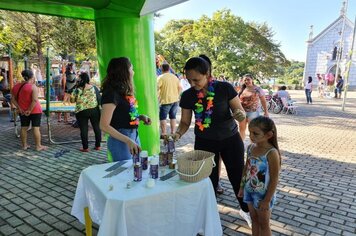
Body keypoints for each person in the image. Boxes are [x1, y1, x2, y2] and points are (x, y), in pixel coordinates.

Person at [172, 57, 251, 227]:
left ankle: (246, 210)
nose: (193, 84)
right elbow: (185, 122)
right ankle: (207, 215)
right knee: (208, 181)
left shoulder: (224, 88)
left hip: (230, 139)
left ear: (207, 74)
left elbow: (239, 111)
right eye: (189, 79)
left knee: (237, 177)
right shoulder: (187, 95)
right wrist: (177, 134)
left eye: (196, 79)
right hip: (204, 143)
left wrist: (240, 115)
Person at [100, 57, 151, 161]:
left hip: (133, 136)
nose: (133, 72)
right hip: (121, 141)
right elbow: (104, 126)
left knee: (136, 170)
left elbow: (122, 114)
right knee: (125, 174)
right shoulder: (111, 93)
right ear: (124, 72)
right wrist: (128, 141)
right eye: (131, 69)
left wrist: (140, 117)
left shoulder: (123, 91)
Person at [238, 116, 281, 236]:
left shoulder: (271, 153)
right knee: (254, 219)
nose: (251, 136)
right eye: (250, 132)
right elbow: (246, 168)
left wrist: (267, 200)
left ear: (268, 135)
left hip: (263, 195)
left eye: (256, 133)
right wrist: (242, 187)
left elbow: (274, 179)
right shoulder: (251, 148)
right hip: (249, 190)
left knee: (264, 223)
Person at [11, 70, 47, 151]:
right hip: (35, 110)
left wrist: (19, 108)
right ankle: (38, 146)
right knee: (36, 128)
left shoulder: (16, 86)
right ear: (32, 77)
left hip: (22, 111)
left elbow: (13, 99)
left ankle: (24, 145)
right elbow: (34, 100)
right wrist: (29, 110)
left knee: (24, 128)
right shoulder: (33, 86)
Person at [71, 72, 102, 152]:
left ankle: (85, 148)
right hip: (94, 110)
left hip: (81, 111)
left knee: (84, 129)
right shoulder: (94, 88)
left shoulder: (77, 89)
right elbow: (99, 98)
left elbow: (72, 100)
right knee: (96, 127)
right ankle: (98, 146)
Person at [239, 74, 269, 141]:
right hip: (242, 112)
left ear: (252, 80)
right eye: (245, 80)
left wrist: (266, 112)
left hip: (253, 112)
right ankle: (240, 145)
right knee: (241, 129)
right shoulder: (242, 89)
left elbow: (263, 101)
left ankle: (252, 146)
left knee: (252, 130)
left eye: (248, 79)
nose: (246, 81)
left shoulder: (258, 89)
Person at [157, 63, 181, 137]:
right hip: (175, 100)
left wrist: (157, 96)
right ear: (169, 69)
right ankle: (173, 132)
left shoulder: (161, 77)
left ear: (162, 69)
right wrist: (178, 95)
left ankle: (164, 133)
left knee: (162, 117)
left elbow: (156, 87)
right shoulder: (175, 77)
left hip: (165, 100)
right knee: (173, 116)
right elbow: (180, 88)